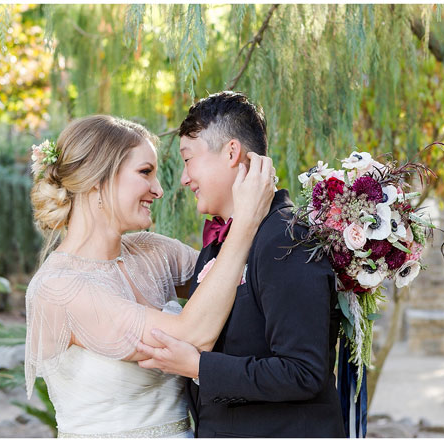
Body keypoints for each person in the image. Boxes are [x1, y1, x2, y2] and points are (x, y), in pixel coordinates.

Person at [24, 114, 276, 438]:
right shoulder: (58, 289)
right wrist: (245, 222)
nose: (158, 189)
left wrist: (340, 247)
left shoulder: (154, 252)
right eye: (145, 172)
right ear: (97, 180)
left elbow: (242, 275)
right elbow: (190, 336)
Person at [136, 91, 346, 437]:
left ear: (232, 152)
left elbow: (303, 371)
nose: (184, 179)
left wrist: (198, 367)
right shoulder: (216, 248)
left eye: (188, 159)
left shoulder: (286, 237)